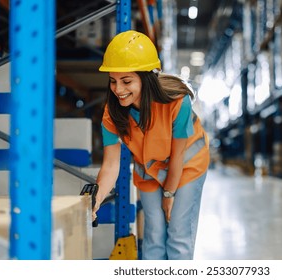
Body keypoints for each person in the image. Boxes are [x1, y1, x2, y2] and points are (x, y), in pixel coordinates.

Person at [92, 30, 210, 260]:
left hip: (187, 166)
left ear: (146, 78)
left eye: (126, 81)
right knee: (154, 234)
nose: (118, 90)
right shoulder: (112, 113)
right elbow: (110, 165)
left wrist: (169, 194)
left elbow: (177, 156)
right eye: (113, 81)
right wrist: (95, 200)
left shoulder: (176, 101)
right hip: (148, 171)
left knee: (178, 234)